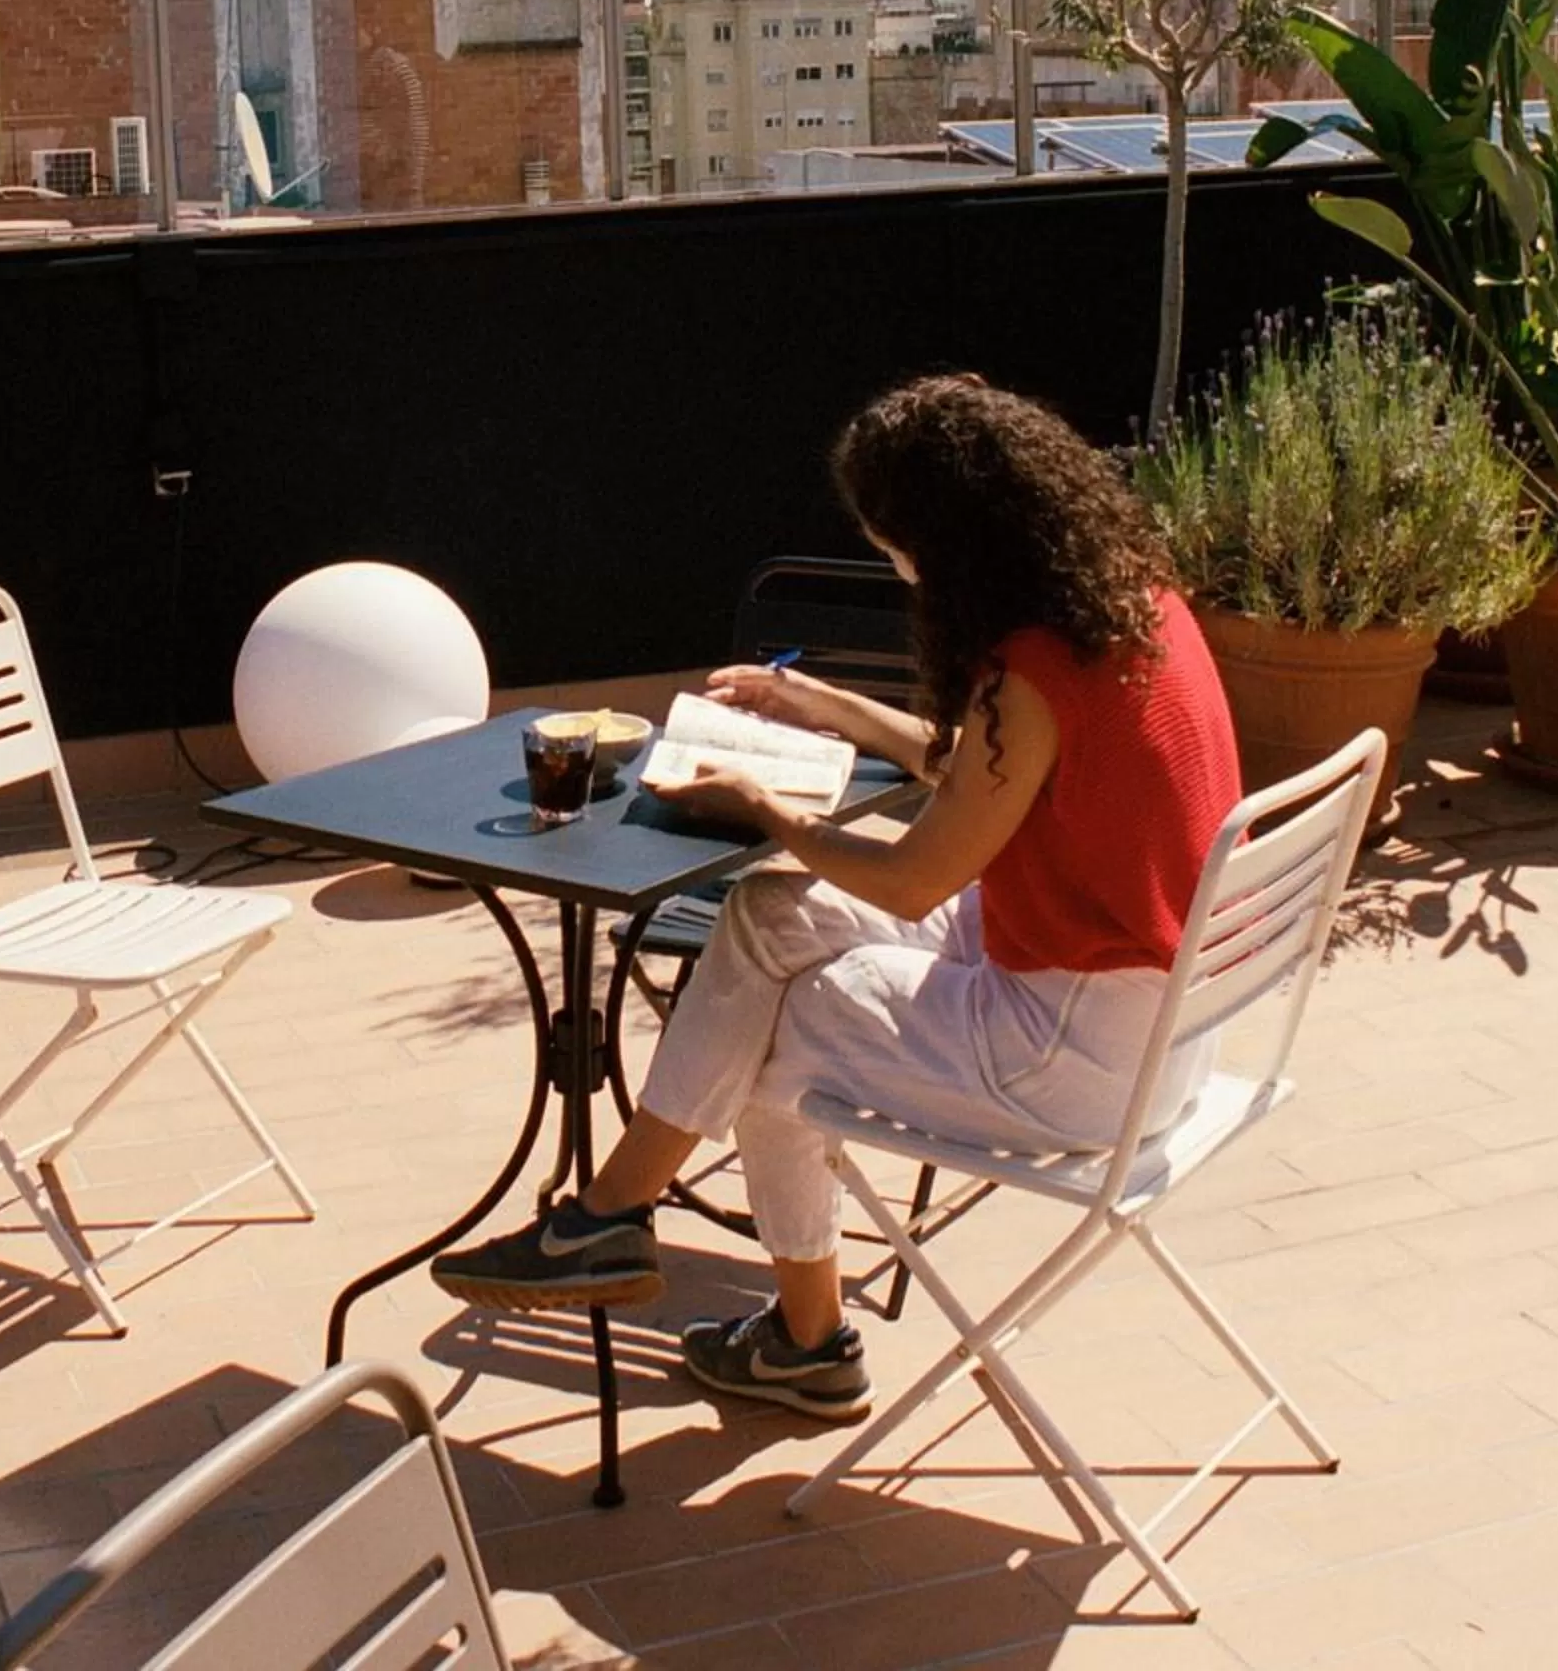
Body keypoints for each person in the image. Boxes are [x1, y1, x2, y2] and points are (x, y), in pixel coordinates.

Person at [434, 372, 1240, 1421]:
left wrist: (765, 806)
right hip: (1158, 1022)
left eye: (889, 542)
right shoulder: (1128, 610)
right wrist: (830, 707)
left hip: (1075, 1054)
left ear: (946, 542)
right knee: (774, 914)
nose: (891, 565)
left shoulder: (1030, 674)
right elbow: (981, 781)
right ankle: (612, 1223)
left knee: (785, 1030)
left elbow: (914, 879)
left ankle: (792, 1334)